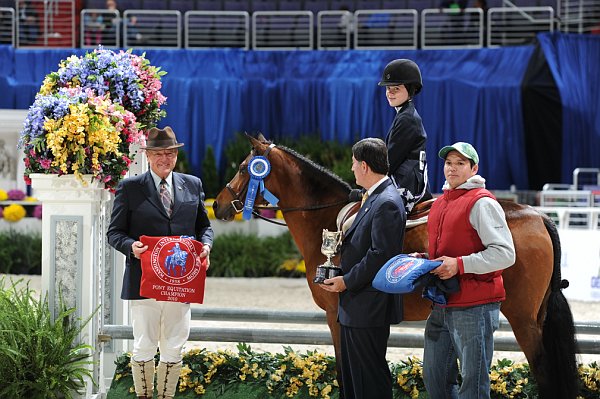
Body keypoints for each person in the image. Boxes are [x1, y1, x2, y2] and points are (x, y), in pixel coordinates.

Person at [107, 126, 213, 399]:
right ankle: (144, 395)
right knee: (144, 343)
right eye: (158, 154)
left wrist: (207, 246)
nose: (164, 159)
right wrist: (133, 247)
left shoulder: (193, 184)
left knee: (175, 346)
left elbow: (205, 228)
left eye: (170, 153)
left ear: (176, 155)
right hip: (144, 281)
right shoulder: (130, 188)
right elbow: (114, 233)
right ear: (148, 156)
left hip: (182, 282)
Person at [417, 142, 516, 398]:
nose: (452, 168)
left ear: (474, 169)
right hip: (442, 303)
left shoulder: (482, 203)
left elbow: (505, 254)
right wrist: (426, 260)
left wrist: (459, 265)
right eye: (449, 163)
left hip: (475, 306)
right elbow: (449, 251)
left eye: (460, 163)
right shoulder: (439, 204)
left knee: (473, 387)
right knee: (434, 378)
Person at [320, 137, 406, 399]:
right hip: (357, 306)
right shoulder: (375, 197)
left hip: (369, 307)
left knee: (369, 381)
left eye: (354, 163)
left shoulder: (387, 202)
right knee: (355, 380)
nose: (352, 168)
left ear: (365, 166)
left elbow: (380, 254)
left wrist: (347, 280)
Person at [378, 58, 432, 213]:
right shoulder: (404, 115)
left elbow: (390, 161)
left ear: (411, 89)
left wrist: (369, 187)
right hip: (408, 181)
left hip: (406, 187)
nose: (390, 93)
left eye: (396, 89)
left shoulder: (407, 119)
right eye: (388, 88)